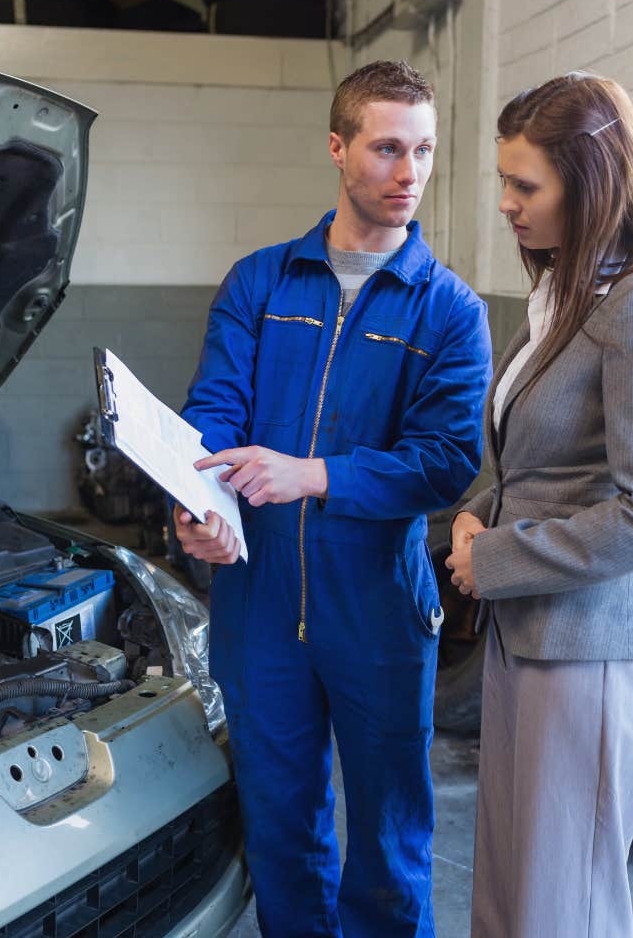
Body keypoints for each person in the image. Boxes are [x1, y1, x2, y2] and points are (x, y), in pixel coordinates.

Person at [173, 60, 493, 938]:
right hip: (259, 603)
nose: (408, 173)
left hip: (380, 611)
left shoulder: (450, 312)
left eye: (423, 150)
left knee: (390, 838)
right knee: (281, 828)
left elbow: (442, 462)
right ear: (337, 148)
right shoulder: (261, 284)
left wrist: (314, 474)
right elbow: (211, 418)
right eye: (387, 148)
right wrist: (196, 511)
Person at [445, 71, 633, 938]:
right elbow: (552, 464)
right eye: (504, 183)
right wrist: (481, 510)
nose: (507, 205)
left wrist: (494, 559)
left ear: (590, 182)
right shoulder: (566, 293)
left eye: (526, 185)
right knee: (512, 897)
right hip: (528, 635)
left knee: (565, 909)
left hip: (589, 654)